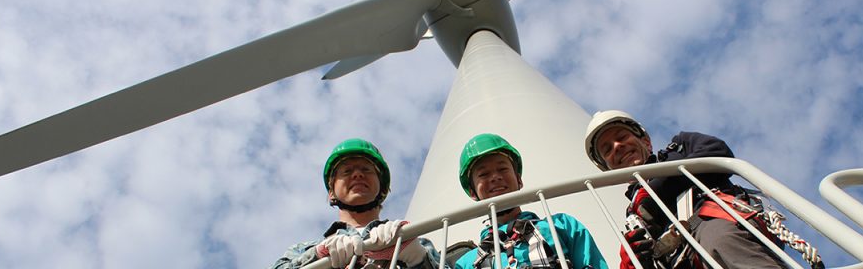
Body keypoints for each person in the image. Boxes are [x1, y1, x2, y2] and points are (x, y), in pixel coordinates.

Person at [584, 111, 788, 269]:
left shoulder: (680, 147)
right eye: (607, 150)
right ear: (608, 168)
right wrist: (634, 257)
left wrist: (656, 192)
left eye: (621, 137)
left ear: (646, 141)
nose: (617, 147)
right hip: (680, 260)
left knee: (719, 240)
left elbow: (717, 152)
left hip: (714, 222)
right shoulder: (633, 215)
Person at [270, 138, 443, 269]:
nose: (358, 174)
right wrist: (317, 255)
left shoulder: (414, 240)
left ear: (382, 188)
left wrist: (418, 258)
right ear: (331, 193)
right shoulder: (303, 249)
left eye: (366, 169)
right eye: (347, 171)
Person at [453, 133, 608, 269]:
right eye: (484, 174)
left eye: (502, 169)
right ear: (473, 192)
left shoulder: (562, 225)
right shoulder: (466, 263)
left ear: (519, 180)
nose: (495, 177)